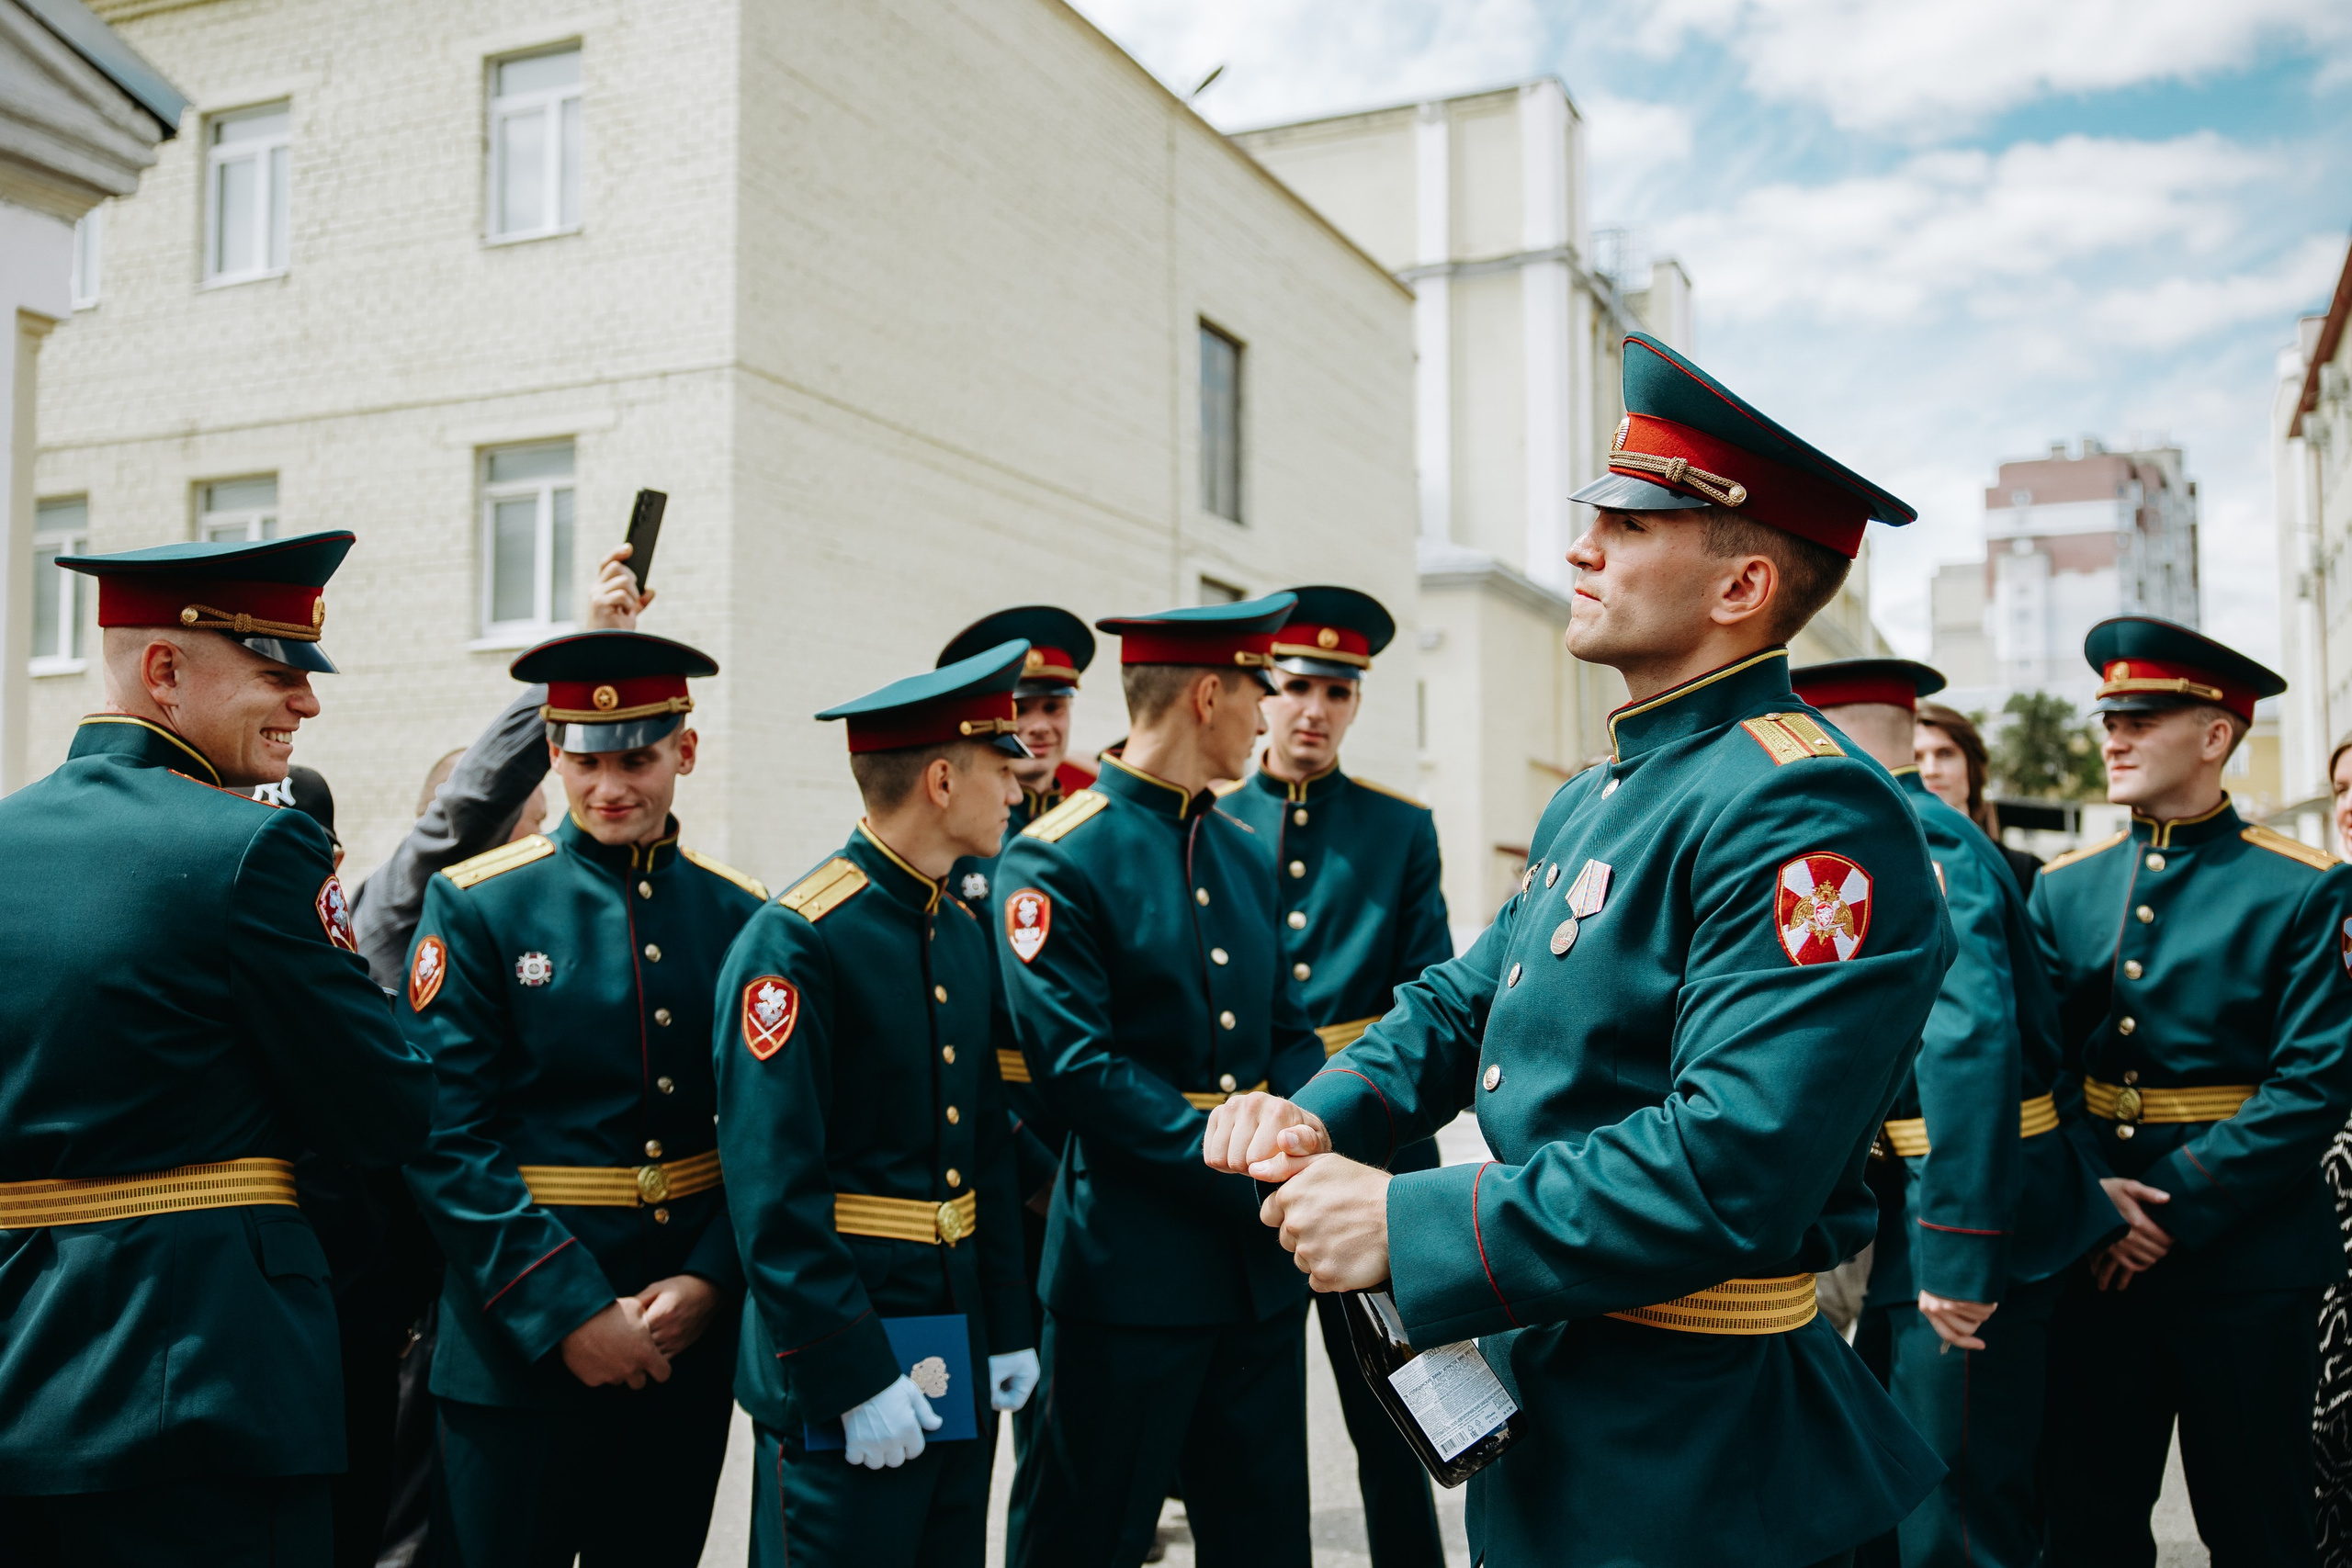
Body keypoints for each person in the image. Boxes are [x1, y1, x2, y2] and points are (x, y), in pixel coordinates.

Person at [1203, 332, 1955, 1568]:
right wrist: (1319, 1111)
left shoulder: (1808, 807)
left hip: (1698, 1447)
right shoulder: (1603, 789)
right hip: (1566, 1388)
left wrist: (1411, 1221)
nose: (1579, 547)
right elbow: (1462, 998)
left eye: (1630, 524)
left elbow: (1733, 1159)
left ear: (1739, 589)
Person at [0, 532, 434, 1563]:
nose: (307, 705)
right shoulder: (252, 847)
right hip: (201, 1388)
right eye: (276, 676)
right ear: (164, 671)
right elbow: (385, 1108)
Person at [401, 629, 767, 1567]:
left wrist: (710, 1279)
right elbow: (445, 1137)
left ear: (686, 751)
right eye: (587, 760)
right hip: (514, 1345)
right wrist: (566, 1310)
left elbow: (765, 1130)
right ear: (554, 753)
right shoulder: (478, 905)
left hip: (678, 1338)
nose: (611, 787)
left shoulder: (741, 914)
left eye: (638, 759)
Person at [998, 594, 1329, 1568]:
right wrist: (1246, 1158)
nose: (1266, 715)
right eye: (1257, 692)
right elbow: (1080, 1072)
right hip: (1127, 1279)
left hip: (1256, 1281)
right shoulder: (1056, 856)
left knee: (1263, 1541)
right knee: (1084, 1537)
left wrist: (1315, 1131)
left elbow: (1285, 1033)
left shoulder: (1238, 848)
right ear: (1207, 694)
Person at [2030, 616, 2352, 1567]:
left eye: (2141, 717)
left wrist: (2168, 1212)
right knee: (2084, 1525)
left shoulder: (2303, 887)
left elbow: (2311, 1085)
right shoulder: (2063, 887)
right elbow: (2040, 1069)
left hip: (2245, 1263)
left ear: (2215, 735)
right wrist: (2094, 1198)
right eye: (2107, 718)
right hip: (2096, 1256)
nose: (2112, 737)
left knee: (2260, 1527)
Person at [714, 639, 1038, 1566]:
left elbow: (985, 1149)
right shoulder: (797, 941)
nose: (1016, 792)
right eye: (998, 769)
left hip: (952, 1333)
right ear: (941, 779)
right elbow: (771, 1190)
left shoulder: (960, 927)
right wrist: (847, 1372)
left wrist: (1007, 1328)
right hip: (846, 1349)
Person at [1794, 659, 2119, 1568]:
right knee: (1899, 1500)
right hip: (1922, 1214)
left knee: (1957, 1525)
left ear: (1825, 733)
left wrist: (1960, 1252)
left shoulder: (1908, 841)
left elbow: (1968, 1046)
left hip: (1966, 1222)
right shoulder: (1890, 828)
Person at [1216, 584, 1451, 1568]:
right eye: (1295, 684)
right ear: (1261, 694)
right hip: (1255, 1156)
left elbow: (1435, 998)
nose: (1313, 708)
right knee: (1250, 1430)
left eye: (1337, 692)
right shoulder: (1212, 825)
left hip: (1377, 1150)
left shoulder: (1400, 829)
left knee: (1401, 1409)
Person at [932, 605, 1098, 1538]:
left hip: (1080, 1143)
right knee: (968, 1402)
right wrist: (1025, 1165)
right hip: (982, 1154)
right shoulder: (947, 828)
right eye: (1022, 705)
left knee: (1070, 1404)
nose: (1040, 725)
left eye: (1056, 704)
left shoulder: (1090, 815)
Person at [1914, 701, 2042, 892]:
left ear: (1972, 766)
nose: (1930, 771)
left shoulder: (2023, 872)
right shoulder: (1883, 868)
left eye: (1945, 753)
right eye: (1915, 757)